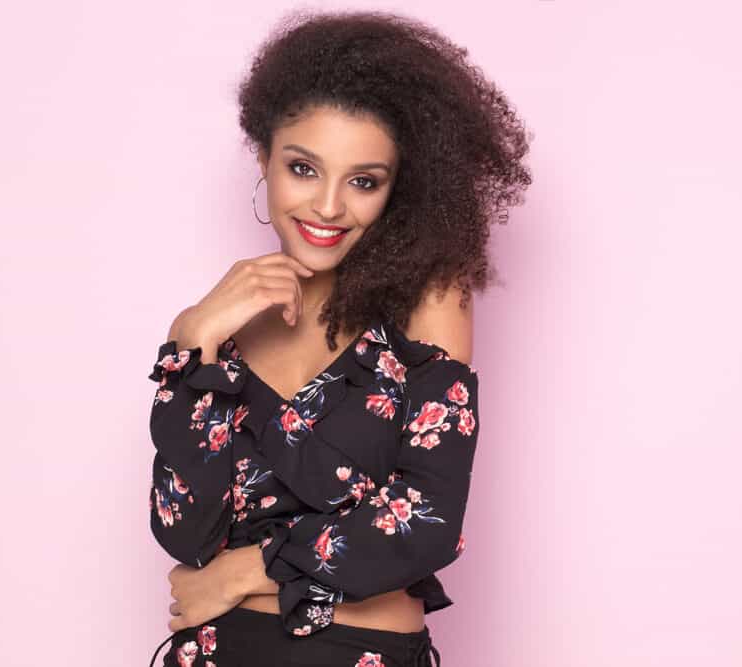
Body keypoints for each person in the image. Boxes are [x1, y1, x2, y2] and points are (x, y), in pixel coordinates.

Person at [146, 9, 532, 666]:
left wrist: (242, 572)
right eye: (303, 168)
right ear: (264, 159)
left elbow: (425, 524)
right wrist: (191, 340)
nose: (328, 207)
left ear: (396, 190)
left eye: (363, 181)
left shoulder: (428, 299)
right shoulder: (225, 325)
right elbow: (186, 531)